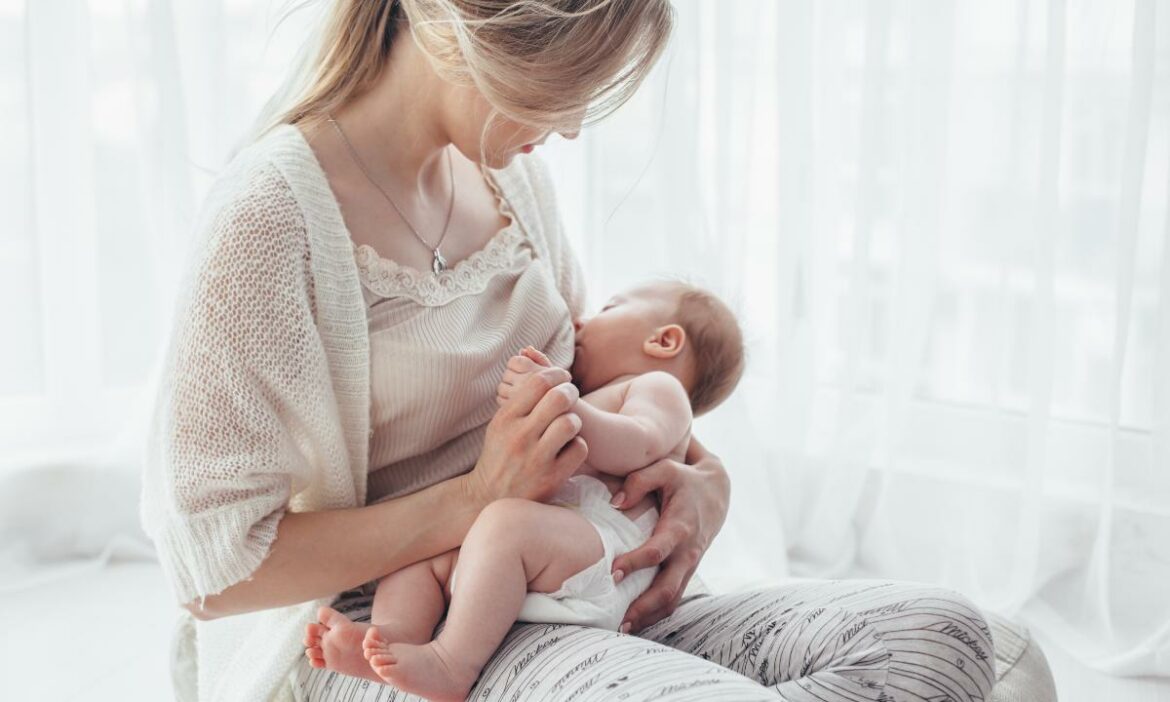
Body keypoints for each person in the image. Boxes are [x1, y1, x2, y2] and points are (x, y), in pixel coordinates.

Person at [141, 1, 1001, 700]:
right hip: (401, 627)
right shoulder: (270, 222)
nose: (573, 127)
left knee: (946, 636)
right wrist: (478, 501)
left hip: (580, 581)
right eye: (567, 86)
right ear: (477, 35)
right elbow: (215, 575)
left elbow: (601, 382)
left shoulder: (508, 177)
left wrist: (704, 483)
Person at [302, 281, 745, 701]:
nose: (579, 323)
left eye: (609, 307)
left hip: (608, 553)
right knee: (420, 556)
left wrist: (565, 405)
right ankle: (391, 638)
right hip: (550, 555)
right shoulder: (604, 392)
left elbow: (639, 443)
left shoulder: (660, 390)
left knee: (505, 524)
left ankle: (451, 663)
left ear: (663, 341)